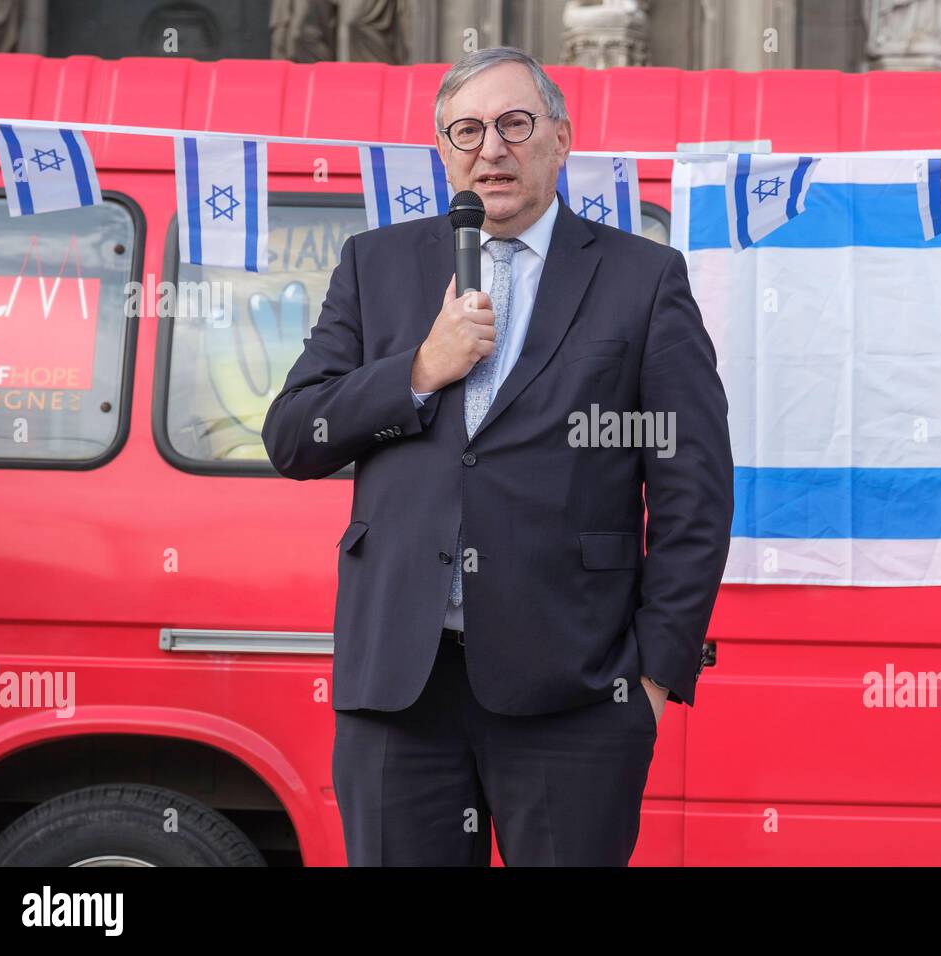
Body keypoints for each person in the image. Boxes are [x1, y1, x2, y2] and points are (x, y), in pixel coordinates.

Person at [261, 45, 733, 866]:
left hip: (574, 697)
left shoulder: (643, 279)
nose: (492, 147)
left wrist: (650, 683)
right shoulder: (376, 266)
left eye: (515, 123)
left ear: (561, 137)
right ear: (443, 151)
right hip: (399, 695)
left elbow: (695, 496)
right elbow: (295, 436)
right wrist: (417, 370)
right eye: (467, 130)